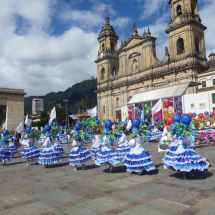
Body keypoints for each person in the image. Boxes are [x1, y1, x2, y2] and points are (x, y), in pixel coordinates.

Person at [163, 114, 209, 179]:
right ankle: (191, 173)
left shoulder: (179, 132)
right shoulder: (189, 132)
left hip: (181, 149)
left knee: (183, 162)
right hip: (189, 149)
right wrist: (191, 145)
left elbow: (176, 140)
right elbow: (192, 142)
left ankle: (184, 175)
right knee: (190, 161)